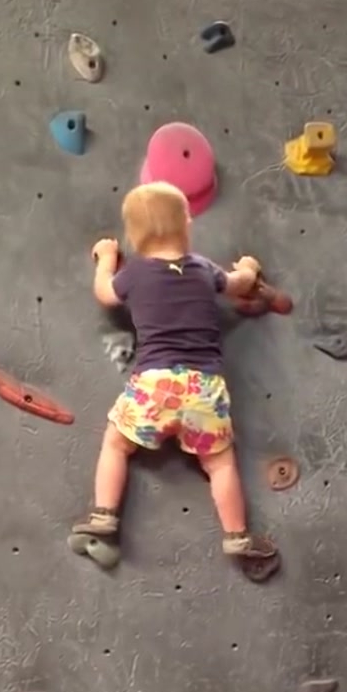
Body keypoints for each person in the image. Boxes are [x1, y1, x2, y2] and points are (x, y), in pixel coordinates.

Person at [71, 181, 277, 561]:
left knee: (117, 442)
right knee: (220, 464)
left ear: (134, 236)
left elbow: (105, 294)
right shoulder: (204, 269)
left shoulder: (134, 274)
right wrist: (248, 268)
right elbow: (239, 286)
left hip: (155, 383)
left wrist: (105, 258)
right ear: (187, 224)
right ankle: (237, 535)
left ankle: (103, 515)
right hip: (203, 387)